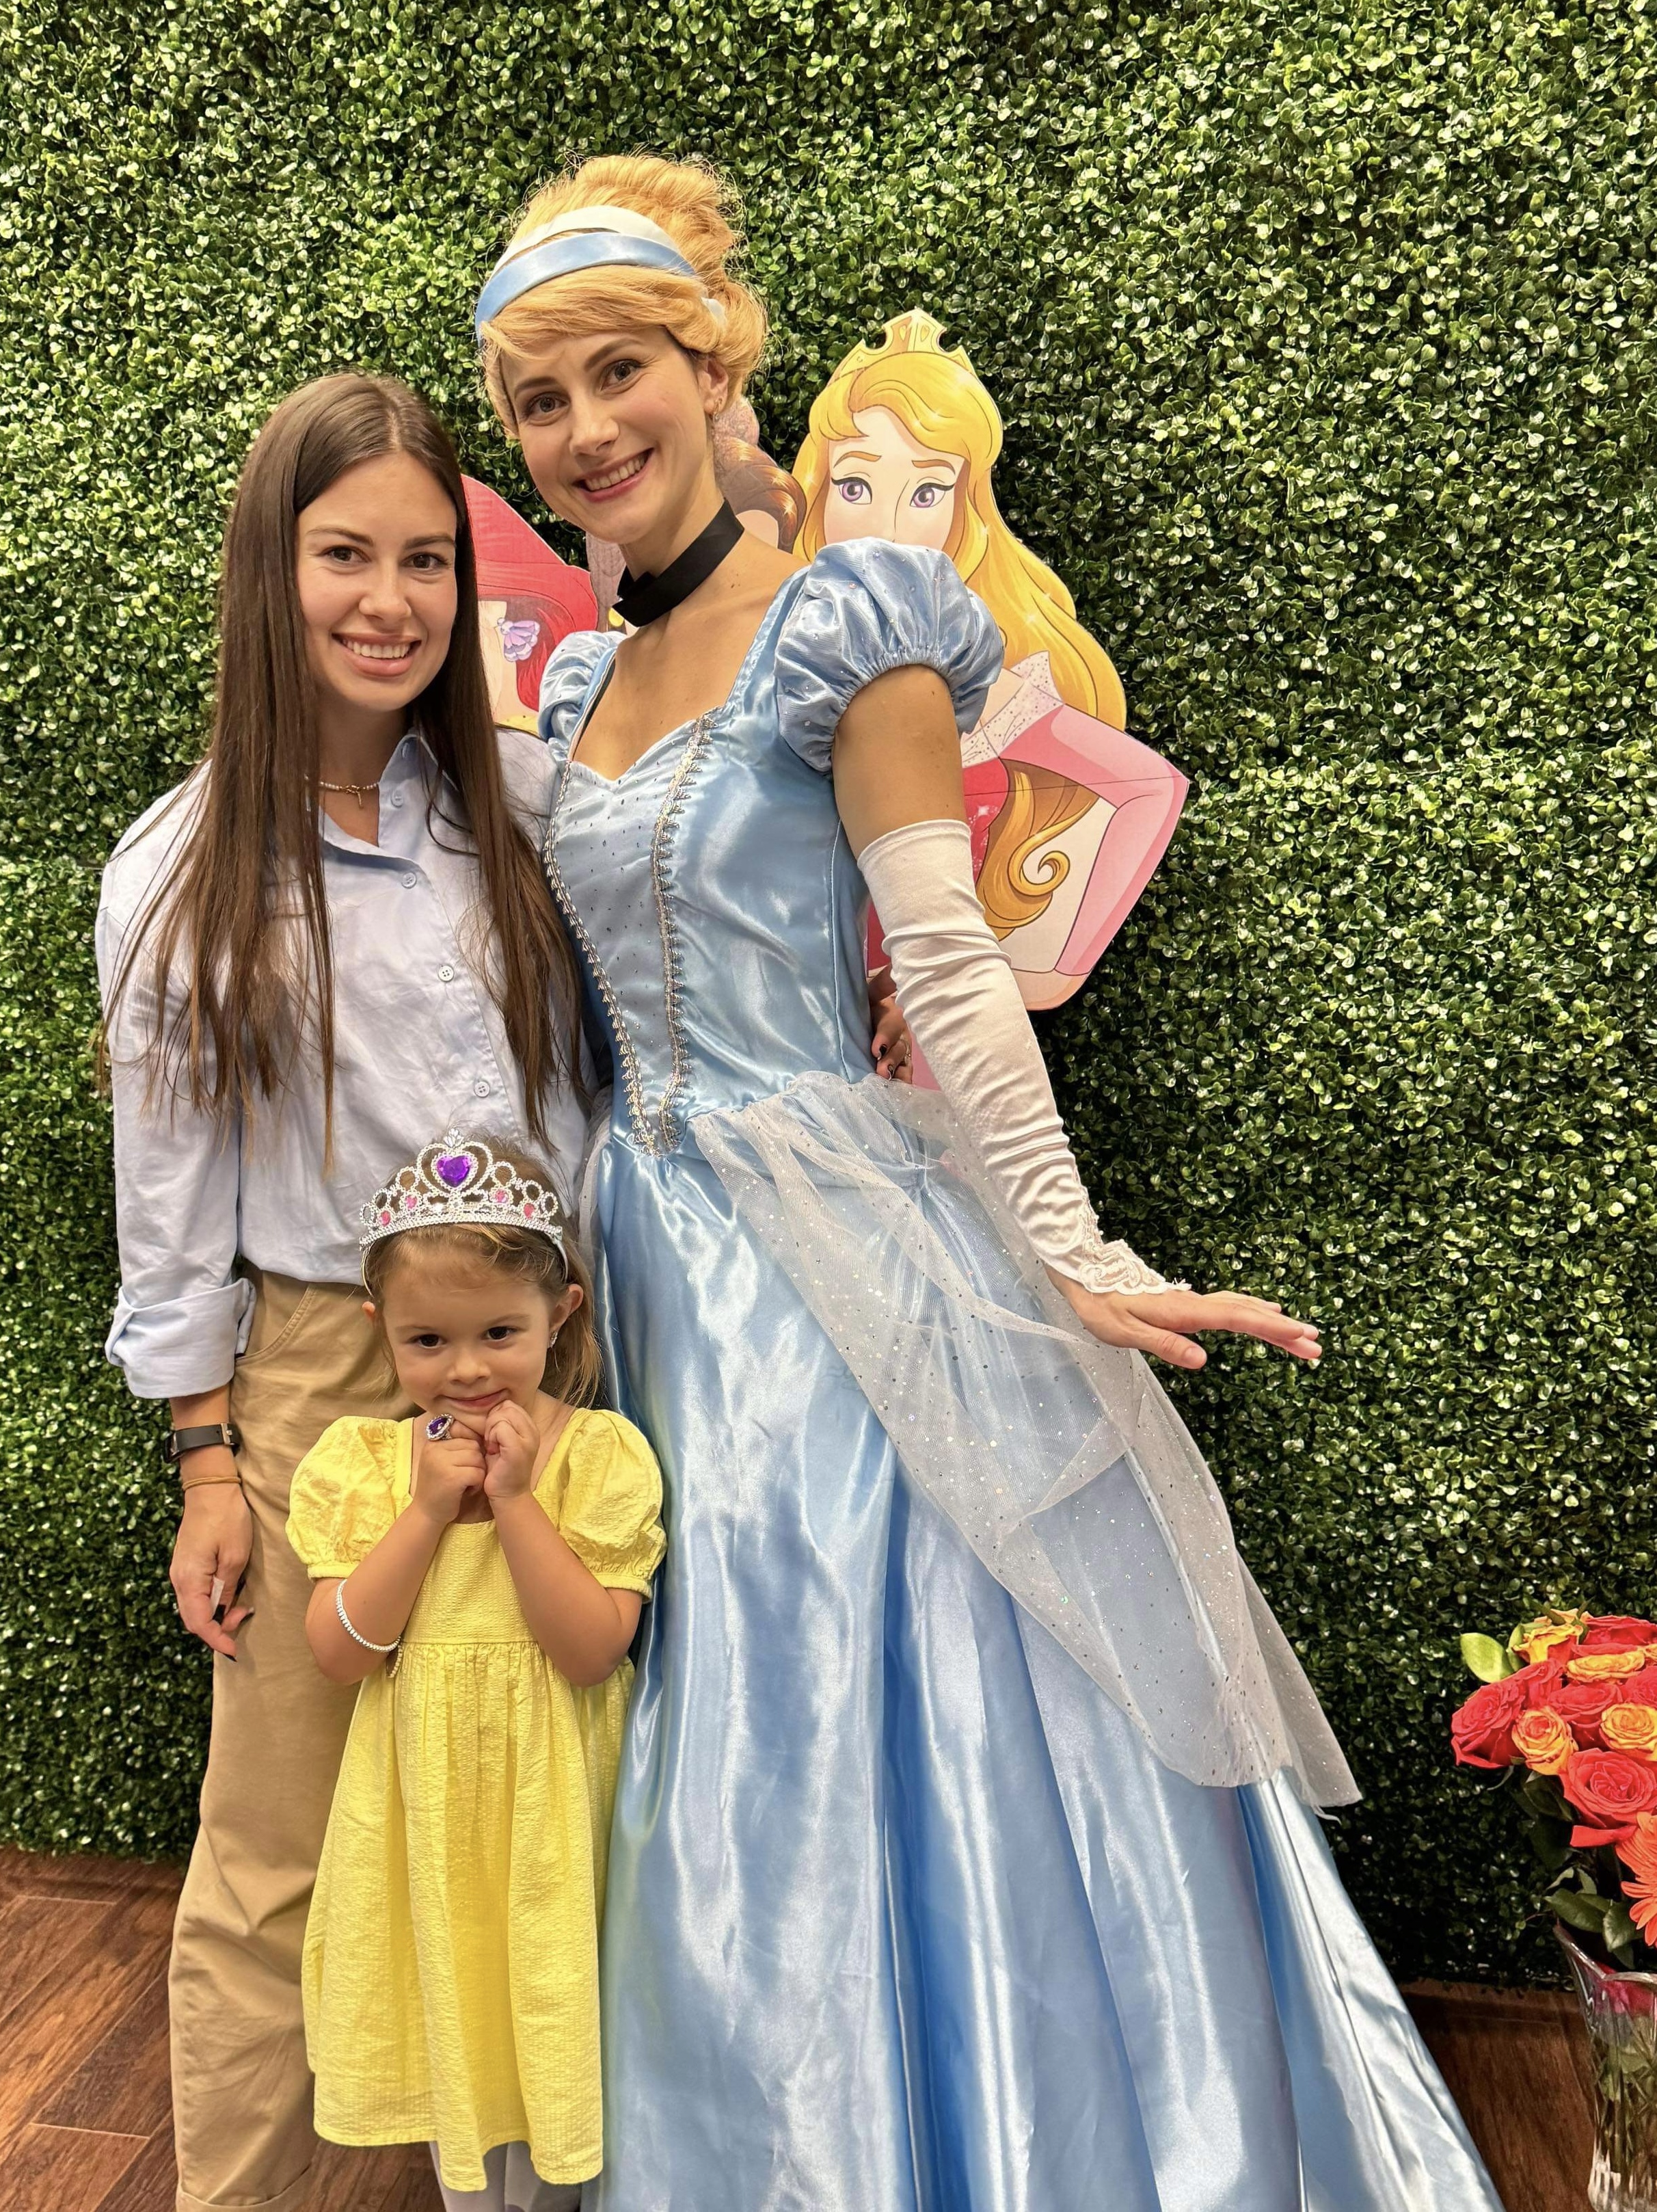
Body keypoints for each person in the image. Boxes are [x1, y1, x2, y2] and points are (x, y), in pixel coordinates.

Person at [474, 152, 1503, 2209]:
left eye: (618, 374)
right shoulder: (577, 685)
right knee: (685, 1684)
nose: (584, 430)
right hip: (637, 1259)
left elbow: (942, 962)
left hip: (825, 1263)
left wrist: (1068, 1243)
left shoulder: (844, 625)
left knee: (819, 1684)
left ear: (712, 368)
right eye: (538, 400)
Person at [96, 369, 907, 2212]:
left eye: (426, 561)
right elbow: (171, 1202)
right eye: (343, 556)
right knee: (287, 1842)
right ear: (268, 571)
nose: (388, 602)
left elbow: (703, 954)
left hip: (581, 1346)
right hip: (330, 1372)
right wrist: (209, 1461)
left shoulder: (527, 805)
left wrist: (851, 992)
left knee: (591, 1794)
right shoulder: (179, 873)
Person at [289, 1132, 664, 2212]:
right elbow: (339, 1650)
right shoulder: (362, 1463)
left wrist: (512, 1503)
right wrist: (422, 1513)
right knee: (458, 2024)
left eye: (499, 1331)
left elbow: (590, 1649)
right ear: (381, 1329)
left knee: (552, 2020)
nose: (464, 1368)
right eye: (427, 1339)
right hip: (427, 1818)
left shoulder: (598, 1454)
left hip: (556, 1814)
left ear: (562, 1312)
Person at [794, 307, 1186, 1009]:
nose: (886, 525)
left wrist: (1044, 972)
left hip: (922, 1033)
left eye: (926, 492)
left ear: (962, 511)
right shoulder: (766, 659)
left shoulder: (986, 691)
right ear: (818, 492)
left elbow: (1145, 787)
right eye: (854, 486)